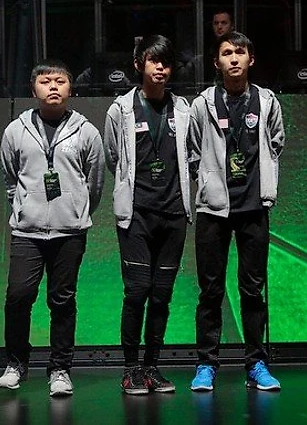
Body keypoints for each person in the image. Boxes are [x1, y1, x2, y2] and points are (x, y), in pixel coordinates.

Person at [0, 60, 105, 396]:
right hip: (27, 231)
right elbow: (10, 177)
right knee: (18, 297)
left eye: (60, 81)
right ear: (34, 89)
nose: (53, 86)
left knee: (62, 301)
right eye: (45, 81)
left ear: (70, 88)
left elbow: (95, 181)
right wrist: (25, 206)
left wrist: (75, 209)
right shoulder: (15, 130)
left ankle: (60, 369)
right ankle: (16, 363)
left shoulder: (86, 131)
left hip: (69, 231)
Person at [188, 31, 285, 392]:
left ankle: (256, 363)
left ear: (250, 59)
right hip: (213, 210)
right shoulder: (203, 103)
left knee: (253, 291)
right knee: (210, 290)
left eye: (239, 52)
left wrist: (263, 181)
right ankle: (206, 364)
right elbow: (193, 149)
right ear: (217, 62)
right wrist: (209, 181)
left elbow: (276, 142)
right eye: (226, 52)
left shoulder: (267, 101)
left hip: (253, 207)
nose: (233, 58)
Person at [104, 35, 193, 395]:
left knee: (162, 295)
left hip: (173, 214)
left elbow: (192, 156)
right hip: (137, 214)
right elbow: (114, 157)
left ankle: (153, 367)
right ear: (139, 64)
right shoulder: (121, 109)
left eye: (166, 62)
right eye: (154, 61)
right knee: (137, 291)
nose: (160, 68)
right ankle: (130, 369)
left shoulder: (184, 109)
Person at [206, 10, 235, 84]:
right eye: (216, 23)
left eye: (224, 23)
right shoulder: (206, 50)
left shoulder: (239, 49)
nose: (219, 27)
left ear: (232, 26)